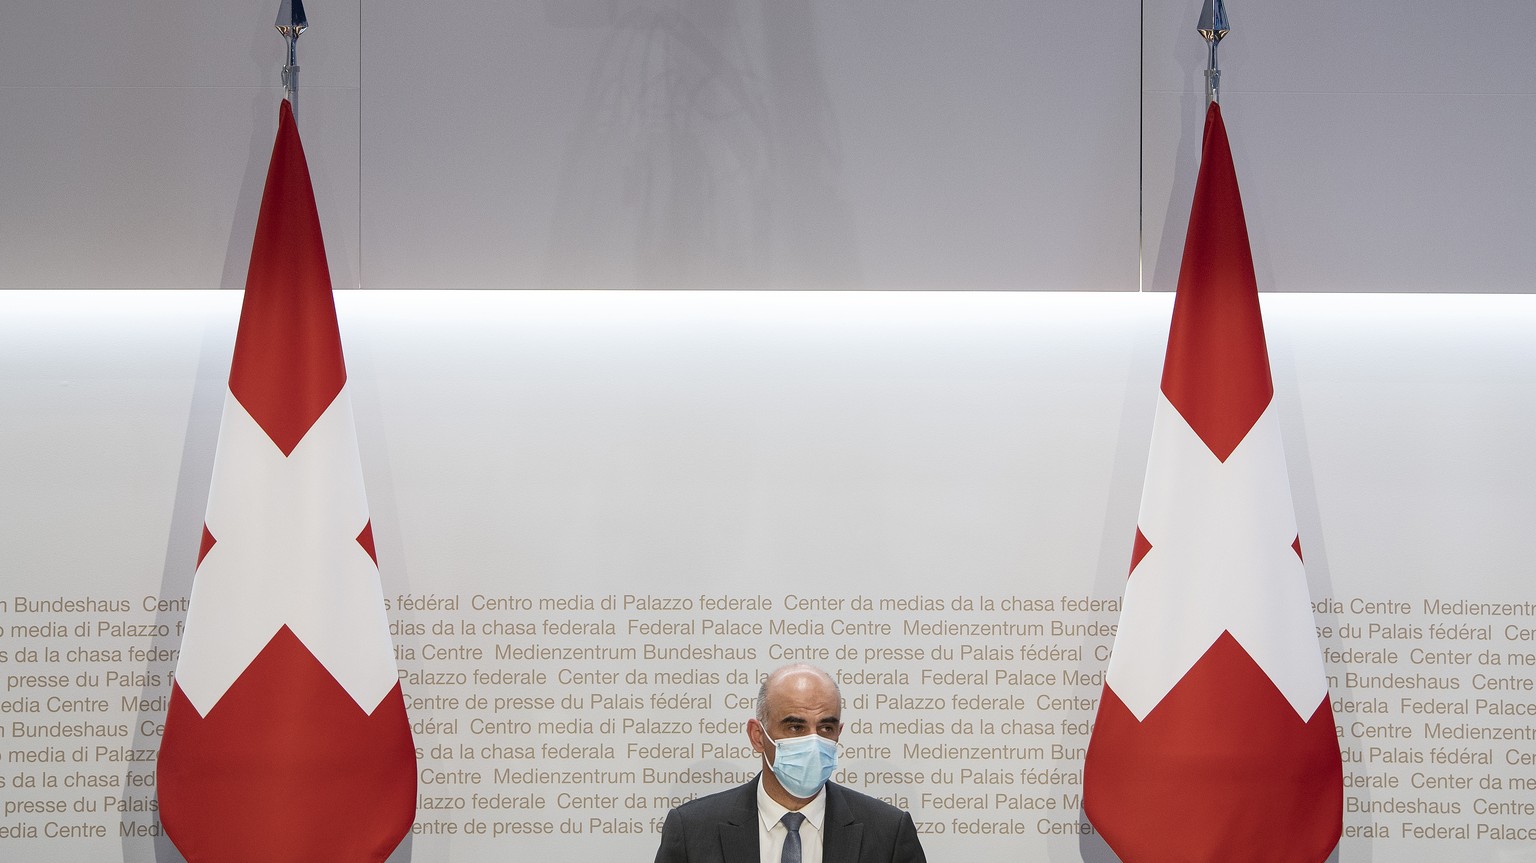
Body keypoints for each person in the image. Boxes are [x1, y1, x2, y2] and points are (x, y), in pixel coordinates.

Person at [653, 663, 926, 863]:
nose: (813, 740)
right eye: (795, 727)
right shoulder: (692, 829)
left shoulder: (888, 832)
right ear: (758, 736)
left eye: (826, 728)